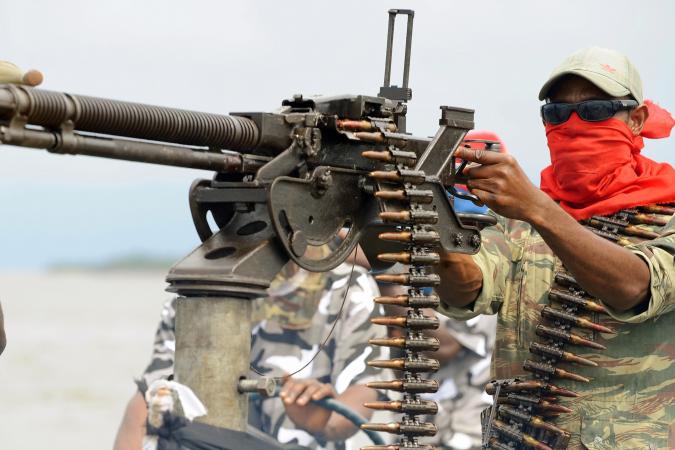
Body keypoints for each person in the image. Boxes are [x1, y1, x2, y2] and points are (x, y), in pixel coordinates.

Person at [435, 47, 675, 448]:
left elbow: (635, 286)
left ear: (636, 120)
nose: (575, 124)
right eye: (558, 113)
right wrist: (417, 217)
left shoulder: (665, 217)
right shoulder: (519, 223)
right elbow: (465, 287)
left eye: (596, 110)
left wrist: (539, 209)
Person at [114, 259, 388, 450]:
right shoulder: (195, 288)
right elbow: (152, 400)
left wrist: (323, 421)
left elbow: (363, 392)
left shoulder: (349, 286)